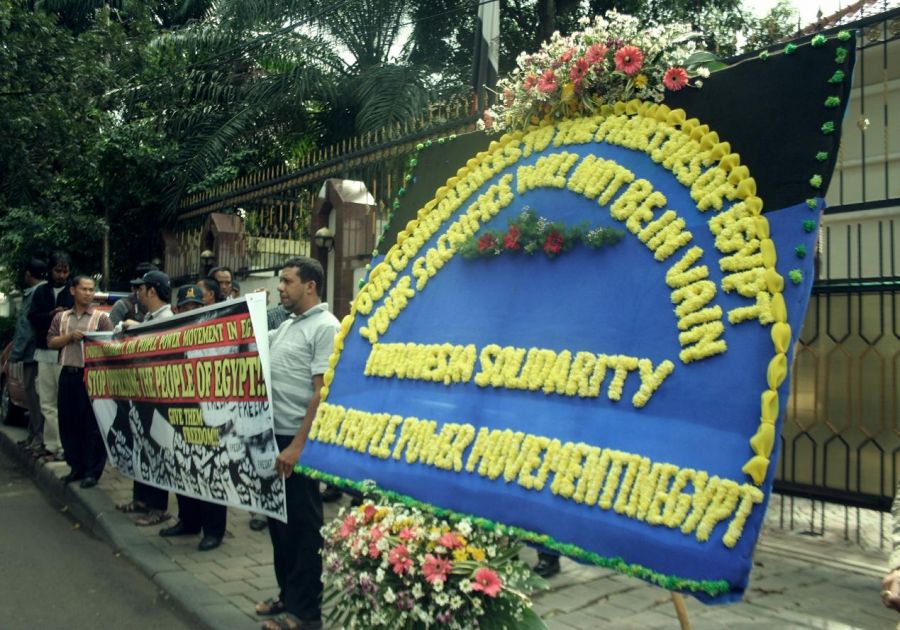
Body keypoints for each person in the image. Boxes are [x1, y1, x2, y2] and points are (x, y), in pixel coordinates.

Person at [256, 256, 338, 630]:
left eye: (287, 281)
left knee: (304, 528)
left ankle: (306, 613)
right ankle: (287, 595)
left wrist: (298, 446)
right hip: (274, 437)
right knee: (279, 524)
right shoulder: (289, 324)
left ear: (310, 286)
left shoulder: (325, 327)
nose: (280, 287)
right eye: (280, 281)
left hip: (297, 440)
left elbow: (321, 394)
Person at [158, 284, 227, 551]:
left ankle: (214, 530)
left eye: (195, 308)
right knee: (182, 466)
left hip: (209, 413)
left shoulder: (215, 335)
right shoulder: (168, 334)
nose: (190, 311)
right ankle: (188, 521)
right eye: (185, 308)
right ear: (176, 310)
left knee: (210, 471)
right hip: (179, 410)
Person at [115, 270, 174, 526]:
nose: (138, 293)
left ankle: (157, 507)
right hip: (142, 393)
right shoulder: (148, 317)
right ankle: (140, 498)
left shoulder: (167, 318)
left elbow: (160, 340)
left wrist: (137, 327)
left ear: (152, 291)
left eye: (142, 289)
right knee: (140, 443)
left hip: (158, 397)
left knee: (155, 449)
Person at [47, 275, 114, 487]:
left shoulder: (100, 318)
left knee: (92, 425)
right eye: (84, 289)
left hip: (91, 376)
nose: (88, 293)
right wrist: (69, 337)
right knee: (69, 423)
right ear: (73, 290)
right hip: (68, 374)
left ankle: (92, 472)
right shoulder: (62, 318)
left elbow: (111, 344)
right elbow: (51, 342)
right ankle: (75, 467)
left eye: (91, 289)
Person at [27, 251, 74, 461]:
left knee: (63, 402)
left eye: (65, 271)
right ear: (50, 270)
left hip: (65, 353)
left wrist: (64, 316)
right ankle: (51, 445)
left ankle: (65, 446)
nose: (62, 275)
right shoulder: (41, 292)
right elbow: (32, 317)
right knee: (46, 402)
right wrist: (50, 316)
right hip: (44, 352)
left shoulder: (74, 292)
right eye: (58, 270)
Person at [11, 258, 47, 454]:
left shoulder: (34, 294)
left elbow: (26, 328)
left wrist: (15, 353)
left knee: (34, 397)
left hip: (32, 354)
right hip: (39, 353)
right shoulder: (41, 292)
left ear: (28, 274)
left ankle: (38, 438)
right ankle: (34, 436)